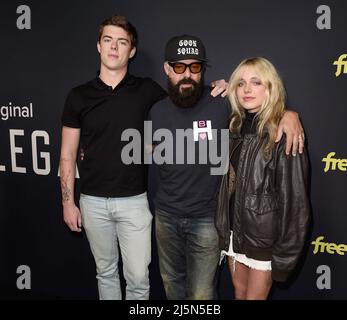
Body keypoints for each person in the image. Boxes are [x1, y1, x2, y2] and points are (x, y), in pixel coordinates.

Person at [59, 15, 227, 300]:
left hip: (136, 203)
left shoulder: (149, 91)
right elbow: (67, 154)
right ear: (99, 46)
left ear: (131, 51)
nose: (114, 47)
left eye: (122, 42)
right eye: (108, 40)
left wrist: (224, 87)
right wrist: (67, 202)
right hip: (92, 202)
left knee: (140, 280)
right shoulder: (78, 96)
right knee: (105, 273)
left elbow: (185, 96)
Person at [149, 36, 305, 300]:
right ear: (167, 68)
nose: (187, 73)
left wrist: (289, 115)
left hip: (209, 220)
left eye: (195, 67)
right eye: (179, 67)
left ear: (202, 70)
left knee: (201, 294)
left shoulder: (221, 105)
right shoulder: (157, 111)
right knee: (173, 287)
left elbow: (262, 105)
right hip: (169, 216)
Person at [215, 57, 310, 300]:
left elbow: (296, 202)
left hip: (264, 239)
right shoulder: (234, 127)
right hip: (235, 234)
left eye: (256, 82)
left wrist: (285, 256)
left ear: (270, 88)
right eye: (241, 83)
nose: (247, 89)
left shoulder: (284, 132)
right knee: (239, 293)